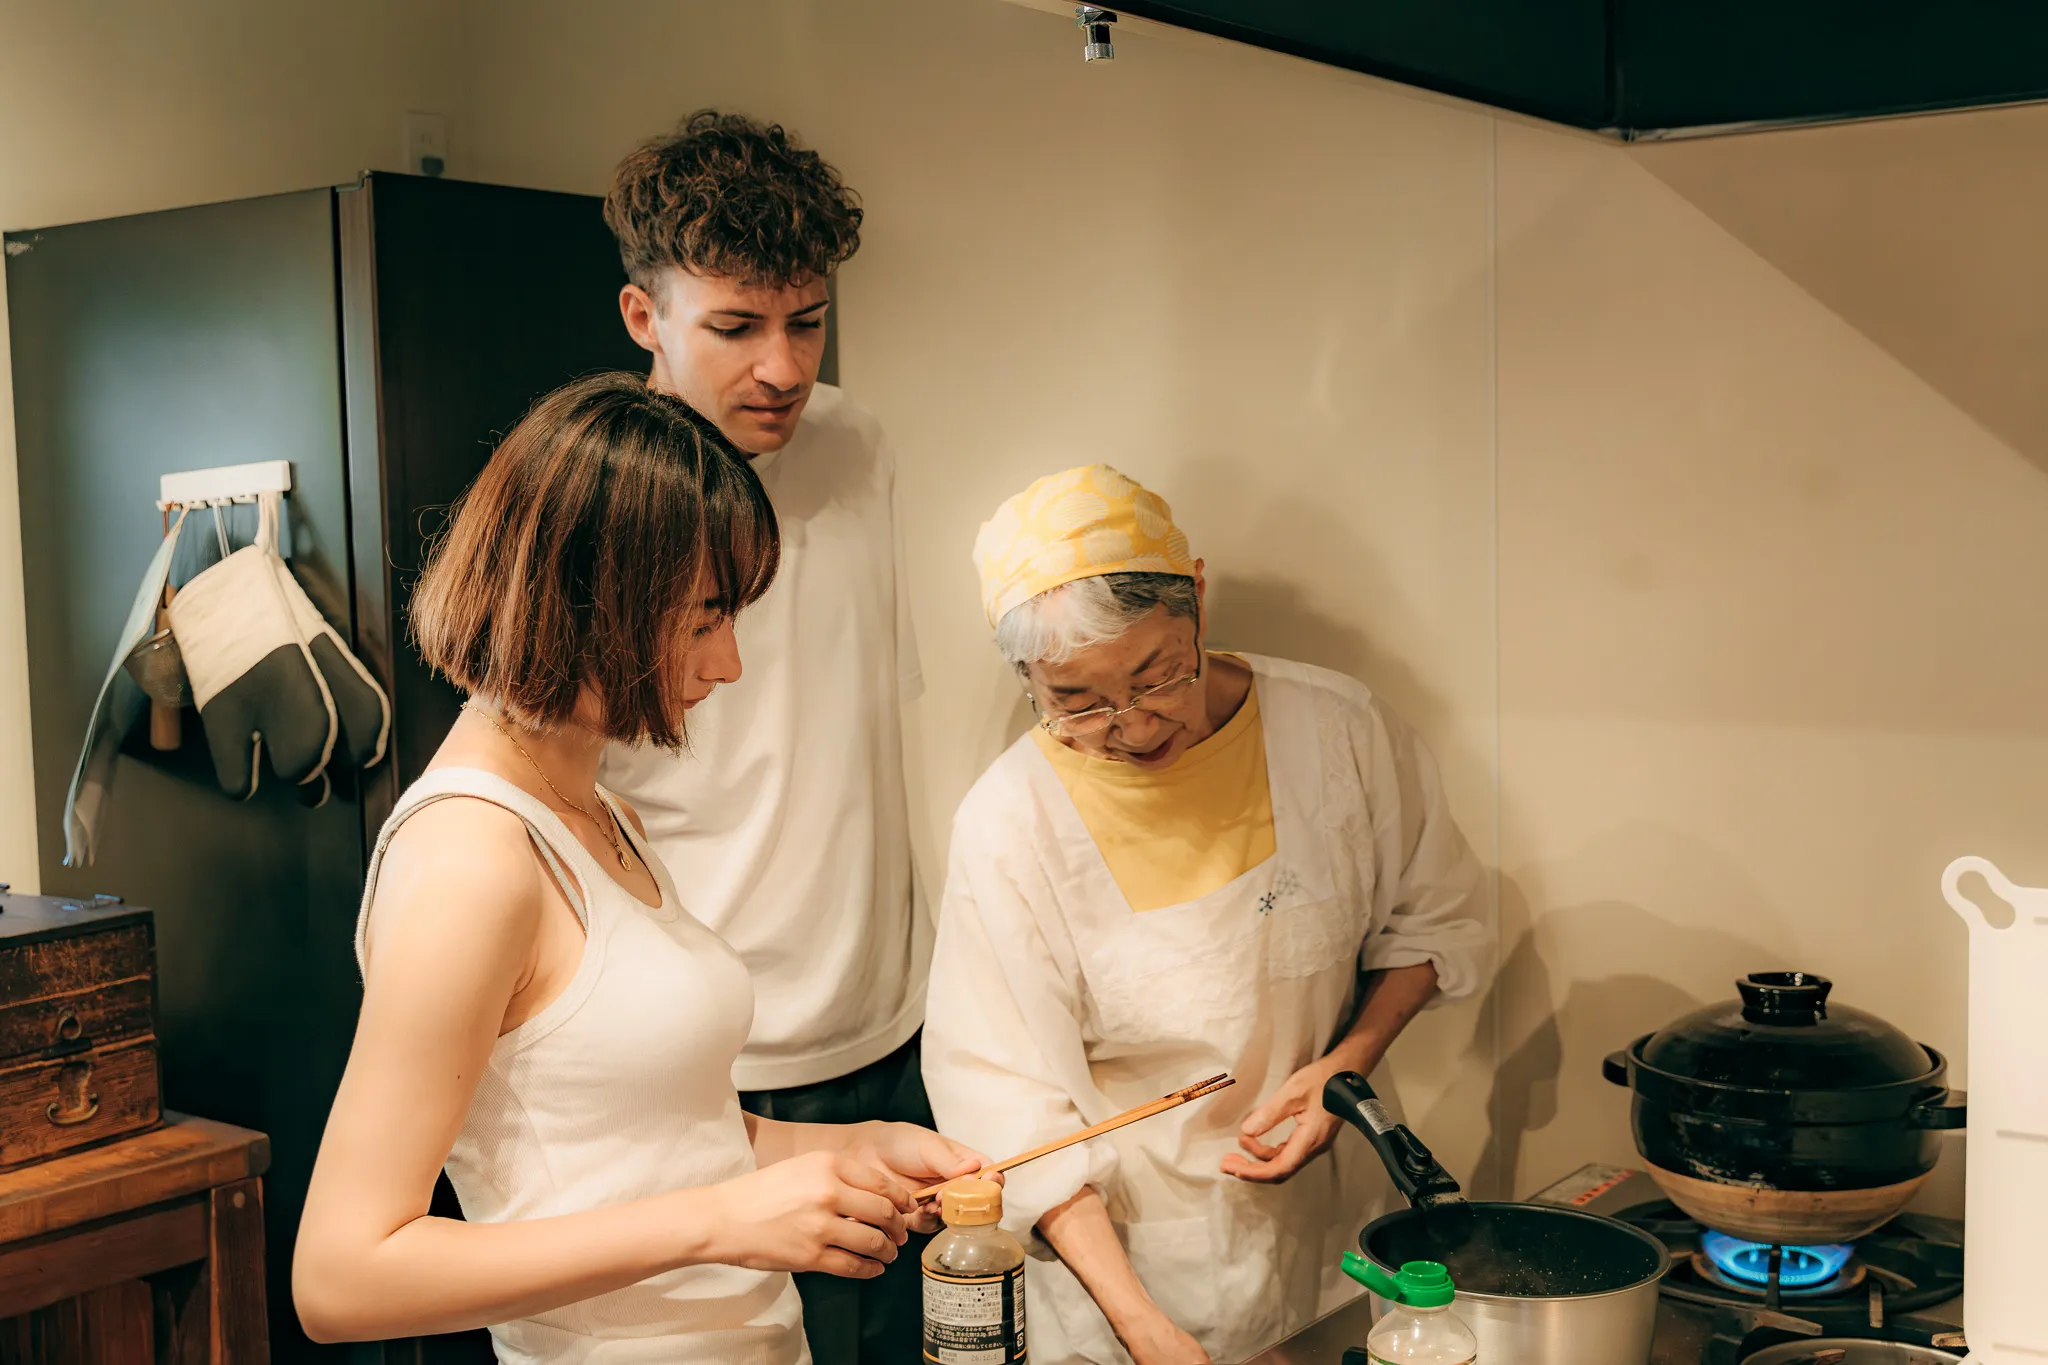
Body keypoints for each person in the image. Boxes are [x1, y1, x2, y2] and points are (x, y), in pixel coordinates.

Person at [293, 373, 983, 1363]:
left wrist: (846, 1149)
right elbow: (343, 1277)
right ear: (587, 604)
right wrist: (718, 1222)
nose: (729, 662)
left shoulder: (598, 810)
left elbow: (658, 1145)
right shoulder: (471, 859)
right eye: (703, 618)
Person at [922, 465, 1496, 1364]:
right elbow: (1008, 1105)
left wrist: (1346, 1068)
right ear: (1029, 676)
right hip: (1126, 1268)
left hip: (1331, 1238)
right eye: (1078, 701)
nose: (1136, 724)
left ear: (1196, 591)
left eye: (1157, 675)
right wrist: (1145, 1328)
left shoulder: (1334, 730)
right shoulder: (1008, 824)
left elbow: (1433, 923)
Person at [595, 111, 933, 1365]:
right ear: (645, 319)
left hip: (894, 1027)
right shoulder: (603, 504)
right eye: (734, 328)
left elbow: (866, 730)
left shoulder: (857, 443)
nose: (781, 367)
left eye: (806, 319)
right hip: (717, 1064)